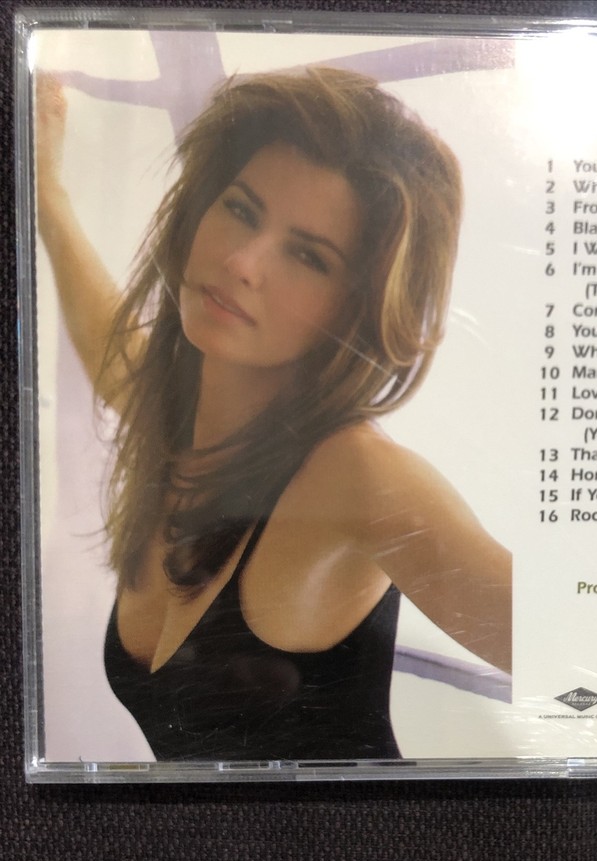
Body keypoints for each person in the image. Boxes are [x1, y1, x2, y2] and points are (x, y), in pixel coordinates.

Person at [35, 68, 511, 762]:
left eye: (307, 256)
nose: (242, 261)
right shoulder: (183, 423)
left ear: (357, 306)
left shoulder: (359, 477)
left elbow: (588, 648)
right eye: (240, 209)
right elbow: (115, 353)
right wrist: (47, 196)